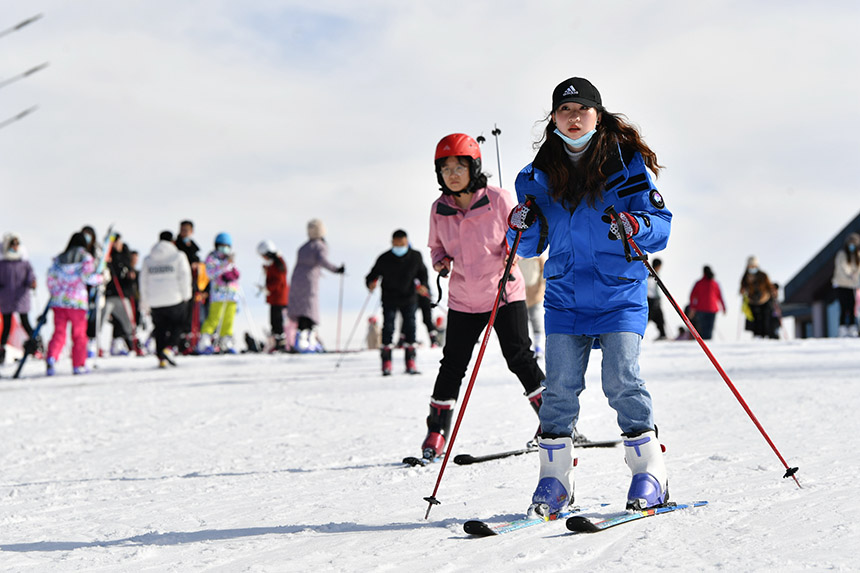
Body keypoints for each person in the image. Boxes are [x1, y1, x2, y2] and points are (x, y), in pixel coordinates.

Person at [507, 77, 672, 516]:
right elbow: (529, 246)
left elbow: (661, 226)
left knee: (622, 380)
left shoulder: (626, 162)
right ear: (554, 119)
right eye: (565, 110)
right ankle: (554, 482)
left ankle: (649, 472)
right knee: (559, 390)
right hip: (564, 296)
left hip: (620, 293)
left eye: (582, 108)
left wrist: (636, 227)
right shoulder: (536, 176)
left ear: (598, 116)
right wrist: (518, 224)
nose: (574, 116)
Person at [421, 133, 546, 461]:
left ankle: (554, 420)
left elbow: (518, 235)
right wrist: (440, 261)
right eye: (445, 168)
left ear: (473, 166)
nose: (452, 174)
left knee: (519, 356)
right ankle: (436, 431)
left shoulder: (498, 198)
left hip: (503, 292)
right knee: (452, 365)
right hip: (463, 297)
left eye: (459, 166)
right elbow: (436, 246)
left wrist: (512, 253)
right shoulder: (439, 209)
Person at [365, 229, 429, 375]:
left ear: (407, 242)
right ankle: (386, 362)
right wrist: (371, 283)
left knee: (410, 327)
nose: (400, 246)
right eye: (397, 243)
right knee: (388, 327)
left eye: (403, 243)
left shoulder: (415, 257)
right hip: (390, 298)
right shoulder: (384, 258)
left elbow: (423, 274)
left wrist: (423, 286)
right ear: (392, 242)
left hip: (409, 297)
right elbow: (372, 275)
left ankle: (410, 362)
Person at [45, 232, 102, 375]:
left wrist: (55, 292)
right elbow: (88, 277)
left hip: (59, 302)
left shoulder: (59, 258)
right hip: (77, 302)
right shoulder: (85, 257)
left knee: (59, 332)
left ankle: (52, 357)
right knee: (79, 335)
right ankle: (79, 364)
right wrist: (101, 278)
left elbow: (50, 279)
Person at [287, 219, 344, 353]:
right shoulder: (320, 246)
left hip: (296, 280)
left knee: (301, 309)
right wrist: (336, 269)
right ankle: (307, 340)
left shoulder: (303, 247)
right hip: (309, 281)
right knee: (310, 309)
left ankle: (300, 339)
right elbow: (322, 261)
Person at [140, 231, 193, 367]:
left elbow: (143, 281)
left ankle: (161, 358)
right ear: (172, 241)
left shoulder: (148, 259)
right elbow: (185, 276)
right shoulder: (178, 256)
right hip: (174, 298)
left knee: (160, 328)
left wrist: (145, 301)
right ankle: (169, 349)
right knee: (179, 324)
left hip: (155, 300)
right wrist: (186, 294)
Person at [198, 232, 241, 354]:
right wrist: (225, 265)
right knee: (214, 319)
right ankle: (204, 341)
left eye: (227, 245)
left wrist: (231, 268)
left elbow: (235, 274)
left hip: (232, 294)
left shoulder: (230, 258)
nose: (225, 248)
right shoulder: (212, 258)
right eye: (222, 245)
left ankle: (226, 342)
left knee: (228, 320)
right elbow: (211, 273)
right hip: (218, 295)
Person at [0, 232, 38, 363]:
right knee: (6, 325)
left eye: (17, 244)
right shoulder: (3, 263)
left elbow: (31, 276)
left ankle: (36, 347)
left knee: (26, 322)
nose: (15, 247)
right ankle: (2, 350)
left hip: (21, 297)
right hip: (6, 298)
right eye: (12, 244)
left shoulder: (24, 262)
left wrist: (32, 282)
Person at [100, 234, 138, 355]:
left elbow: (130, 273)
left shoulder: (125, 255)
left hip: (123, 294)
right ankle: (94, 344)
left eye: (117, 242)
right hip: (109, 295)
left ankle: (133, 345)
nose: (116, 244)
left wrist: (130, 277)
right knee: (100, 319)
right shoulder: (107, 256)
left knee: (129, 321)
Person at [257, 239, 290, 352]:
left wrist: (267, 288)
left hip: (279, 299)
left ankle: (280, 343)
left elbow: (278, 281)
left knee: (277, 321)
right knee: (274, 321)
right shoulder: (275, 264)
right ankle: (276, 342)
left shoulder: (278, 264)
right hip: (275, 299)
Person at [175, 220, 203, 351]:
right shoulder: (175, 246)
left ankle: (189, 340)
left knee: (190, 312)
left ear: (191, 232)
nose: (183, 232)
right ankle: (179, 339)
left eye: (186, 230)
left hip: (192, 284)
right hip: (178, 283)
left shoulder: (193, 248)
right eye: (182, 229)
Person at [518, 251, 548, 358]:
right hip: (520, 295)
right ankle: (523, 349)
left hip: (535, 294)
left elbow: (544, 273)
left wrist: (541, 288)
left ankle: (539, 346)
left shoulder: (538, 257)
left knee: (536, 320)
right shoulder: (517, 257)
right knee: (521, 324)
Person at [740, 256, 776, 339]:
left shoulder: (763, 275)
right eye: (750, 266)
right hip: (752, 301)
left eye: (754, 266)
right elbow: (742, 288)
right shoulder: (745, 277)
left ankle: (766, 336)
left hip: (764, 300)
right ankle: (757, 336)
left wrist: (773, 292)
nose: (752, 268)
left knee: (765, 319)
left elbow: (769, 285)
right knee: (755, 320)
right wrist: (743, 291)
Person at [831, 233, 860, 337]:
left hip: (852, 285)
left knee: (852, 306)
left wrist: (855, 277)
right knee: (844, 306)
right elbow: (842, 268)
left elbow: (858, 270)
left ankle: (852, 326)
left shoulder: (857, 255)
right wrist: (849, 274)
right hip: (841, 284)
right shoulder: (841, 255)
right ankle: (842, 327)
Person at [688, 265, 726, 340]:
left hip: (701, 309)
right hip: (712, 309)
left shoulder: (699, 283)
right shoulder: (715, 283)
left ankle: (705, 343)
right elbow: (720, 296)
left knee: (702, 328)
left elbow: (692, 296)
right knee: (709, 329)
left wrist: (692, 308)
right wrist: (723, 307)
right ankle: (708, 343)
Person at [647, 258, 667, 340]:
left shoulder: (654, 274)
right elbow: (649, 289)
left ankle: (663, 334)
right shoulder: (650, 275)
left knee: (660, 318)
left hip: (655, 300)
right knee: (648, 317)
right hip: (650, 300)